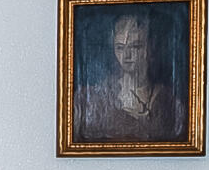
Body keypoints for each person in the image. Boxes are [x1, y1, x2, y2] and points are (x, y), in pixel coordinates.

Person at [75, 8, 183, 145]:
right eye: (120, 47)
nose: (126, 55)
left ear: (150, 48)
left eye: (135, 47)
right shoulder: (94, 97)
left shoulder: (169, 100)